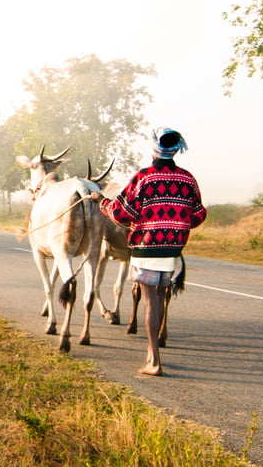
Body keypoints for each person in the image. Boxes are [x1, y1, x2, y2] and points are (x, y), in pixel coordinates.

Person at [90, 127, 206, 376]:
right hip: (173, 249)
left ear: (154, 148)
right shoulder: (188, 178)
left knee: (149, 301)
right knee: (162, 297)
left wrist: (101, 202)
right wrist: (177, 224)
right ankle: (153, 354)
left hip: (146, 248)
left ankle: (154, 360)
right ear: (175, 149)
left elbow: (122, 214)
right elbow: (198, 214)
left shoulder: (144, 177)